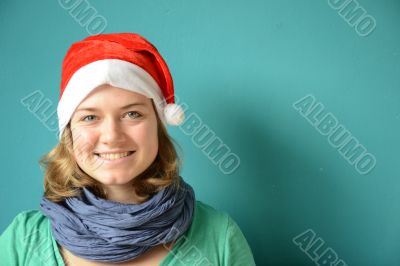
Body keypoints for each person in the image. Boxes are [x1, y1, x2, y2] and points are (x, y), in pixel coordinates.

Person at [0, 32, 256, 266]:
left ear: (158, 125)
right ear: (68, 133)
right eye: (90, 117)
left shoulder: (219, 236)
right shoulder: (23, 240)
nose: (112, 136)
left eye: (132, 114)